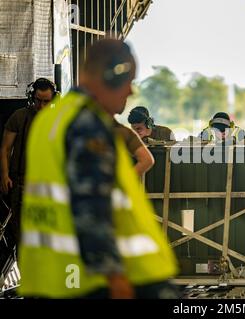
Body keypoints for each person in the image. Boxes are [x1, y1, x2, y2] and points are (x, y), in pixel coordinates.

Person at [18, 39, 178, 299]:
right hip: (100, 279)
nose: (130, 92)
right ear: (109, 77)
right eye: (128, 82)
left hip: (53, 276)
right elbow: (89, 205)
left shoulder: (49, 120)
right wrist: (115, 277)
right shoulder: (87, 123)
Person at [0, 78, 57, 249]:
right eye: (38, 100)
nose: (41, 106)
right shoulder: (19, 117)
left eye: (46, 101)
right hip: (22, 184)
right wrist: (4, 175)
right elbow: (4, 148)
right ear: (32, 97)